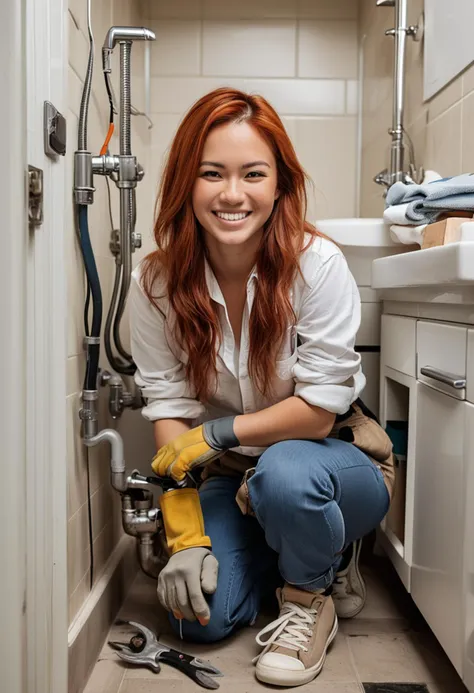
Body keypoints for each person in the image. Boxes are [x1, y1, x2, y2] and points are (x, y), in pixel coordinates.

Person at [129, 87, 394, 688]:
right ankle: (294, 550)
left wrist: (218, 431)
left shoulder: (316, 264)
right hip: (233, 477)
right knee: (196, 618)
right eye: (211, 173)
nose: (231, 194)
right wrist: (185, 533)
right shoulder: (157, 283)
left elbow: (321, 412)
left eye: (253, 173)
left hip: (335, 463)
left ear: (279, 185)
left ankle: (310, 595)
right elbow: (169, 406)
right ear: (184, 183)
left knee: (286, 474)